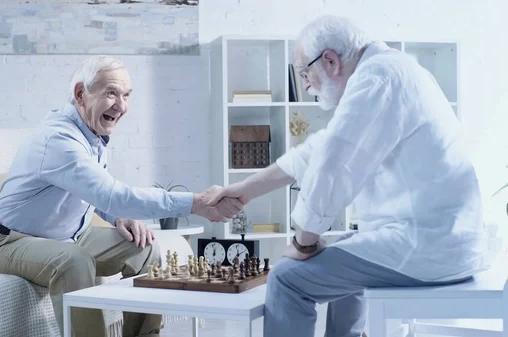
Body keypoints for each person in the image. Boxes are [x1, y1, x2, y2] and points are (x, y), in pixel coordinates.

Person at [209, 15, 494, 337]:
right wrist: (246, 190)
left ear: (330, 61)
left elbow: (334, 165)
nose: (305, 84)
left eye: (305, 72)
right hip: (443, 239)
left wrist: (303, 242)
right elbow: (317, 151)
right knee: (343, 254)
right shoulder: (391, 69)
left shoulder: (377, 79)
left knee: (288, 277)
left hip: (426, 245)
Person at [0, 56, 243, 337]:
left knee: (145, 249)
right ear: (81, 94)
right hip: (8, 241)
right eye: (111, 93)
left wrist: (118, 216)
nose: (122, 105)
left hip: (70, 236)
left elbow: (97, 195)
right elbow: (112, 194)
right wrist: (197, 203)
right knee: (74, 260)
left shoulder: (93, 135)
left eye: (126, 95)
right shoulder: (58, 140)